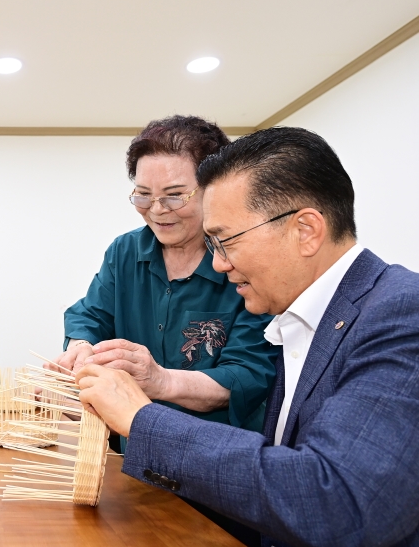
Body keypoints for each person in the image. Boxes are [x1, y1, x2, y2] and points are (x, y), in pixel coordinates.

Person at [77, 127, 419, 547]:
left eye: (226, 240)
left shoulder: (401, 314)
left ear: (306, 230)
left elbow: (339, 504)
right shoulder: (300, 317)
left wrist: (141, 419)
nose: (218, 263)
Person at [58, 115, 278, 439]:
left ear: (214, 189)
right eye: (143, 195)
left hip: (215, 458)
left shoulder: (245, 259)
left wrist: (160, 381)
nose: (157, 210)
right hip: (133, 454)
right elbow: (90, 315)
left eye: (175, 195)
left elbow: (246, 376)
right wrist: (81, 347)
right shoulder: (125, 251)